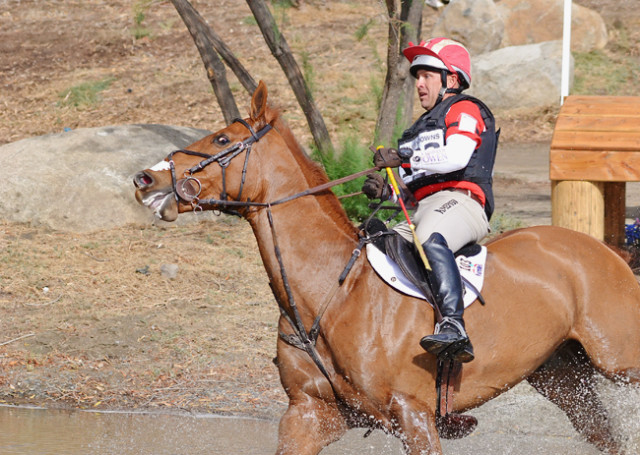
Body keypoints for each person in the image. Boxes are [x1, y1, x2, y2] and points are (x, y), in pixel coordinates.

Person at [362, 37, 499, 363]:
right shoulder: (416, 130)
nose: (419, 84)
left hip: (464, 203)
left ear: (451, 80)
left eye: (427, 76)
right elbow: (414, 197)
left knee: (429, 238)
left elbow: (455, 156)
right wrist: (387, 193)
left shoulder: (465, 108)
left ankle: (454, 326)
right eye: (417, 76)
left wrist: (402, 155)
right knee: (374, 243)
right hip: (429, 208)